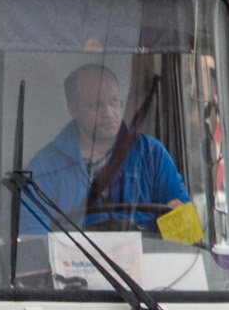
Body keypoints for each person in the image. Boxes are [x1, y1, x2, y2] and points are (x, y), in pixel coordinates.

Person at [22, 62, 189, 234]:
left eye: (113, 101)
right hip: (76, 259)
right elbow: (34, 242)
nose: (109, 113)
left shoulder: (152, 154)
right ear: (73, 110)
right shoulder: (46, 165)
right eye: (96, 105)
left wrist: (178, 220)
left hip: (146, 259)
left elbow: (188, 237)